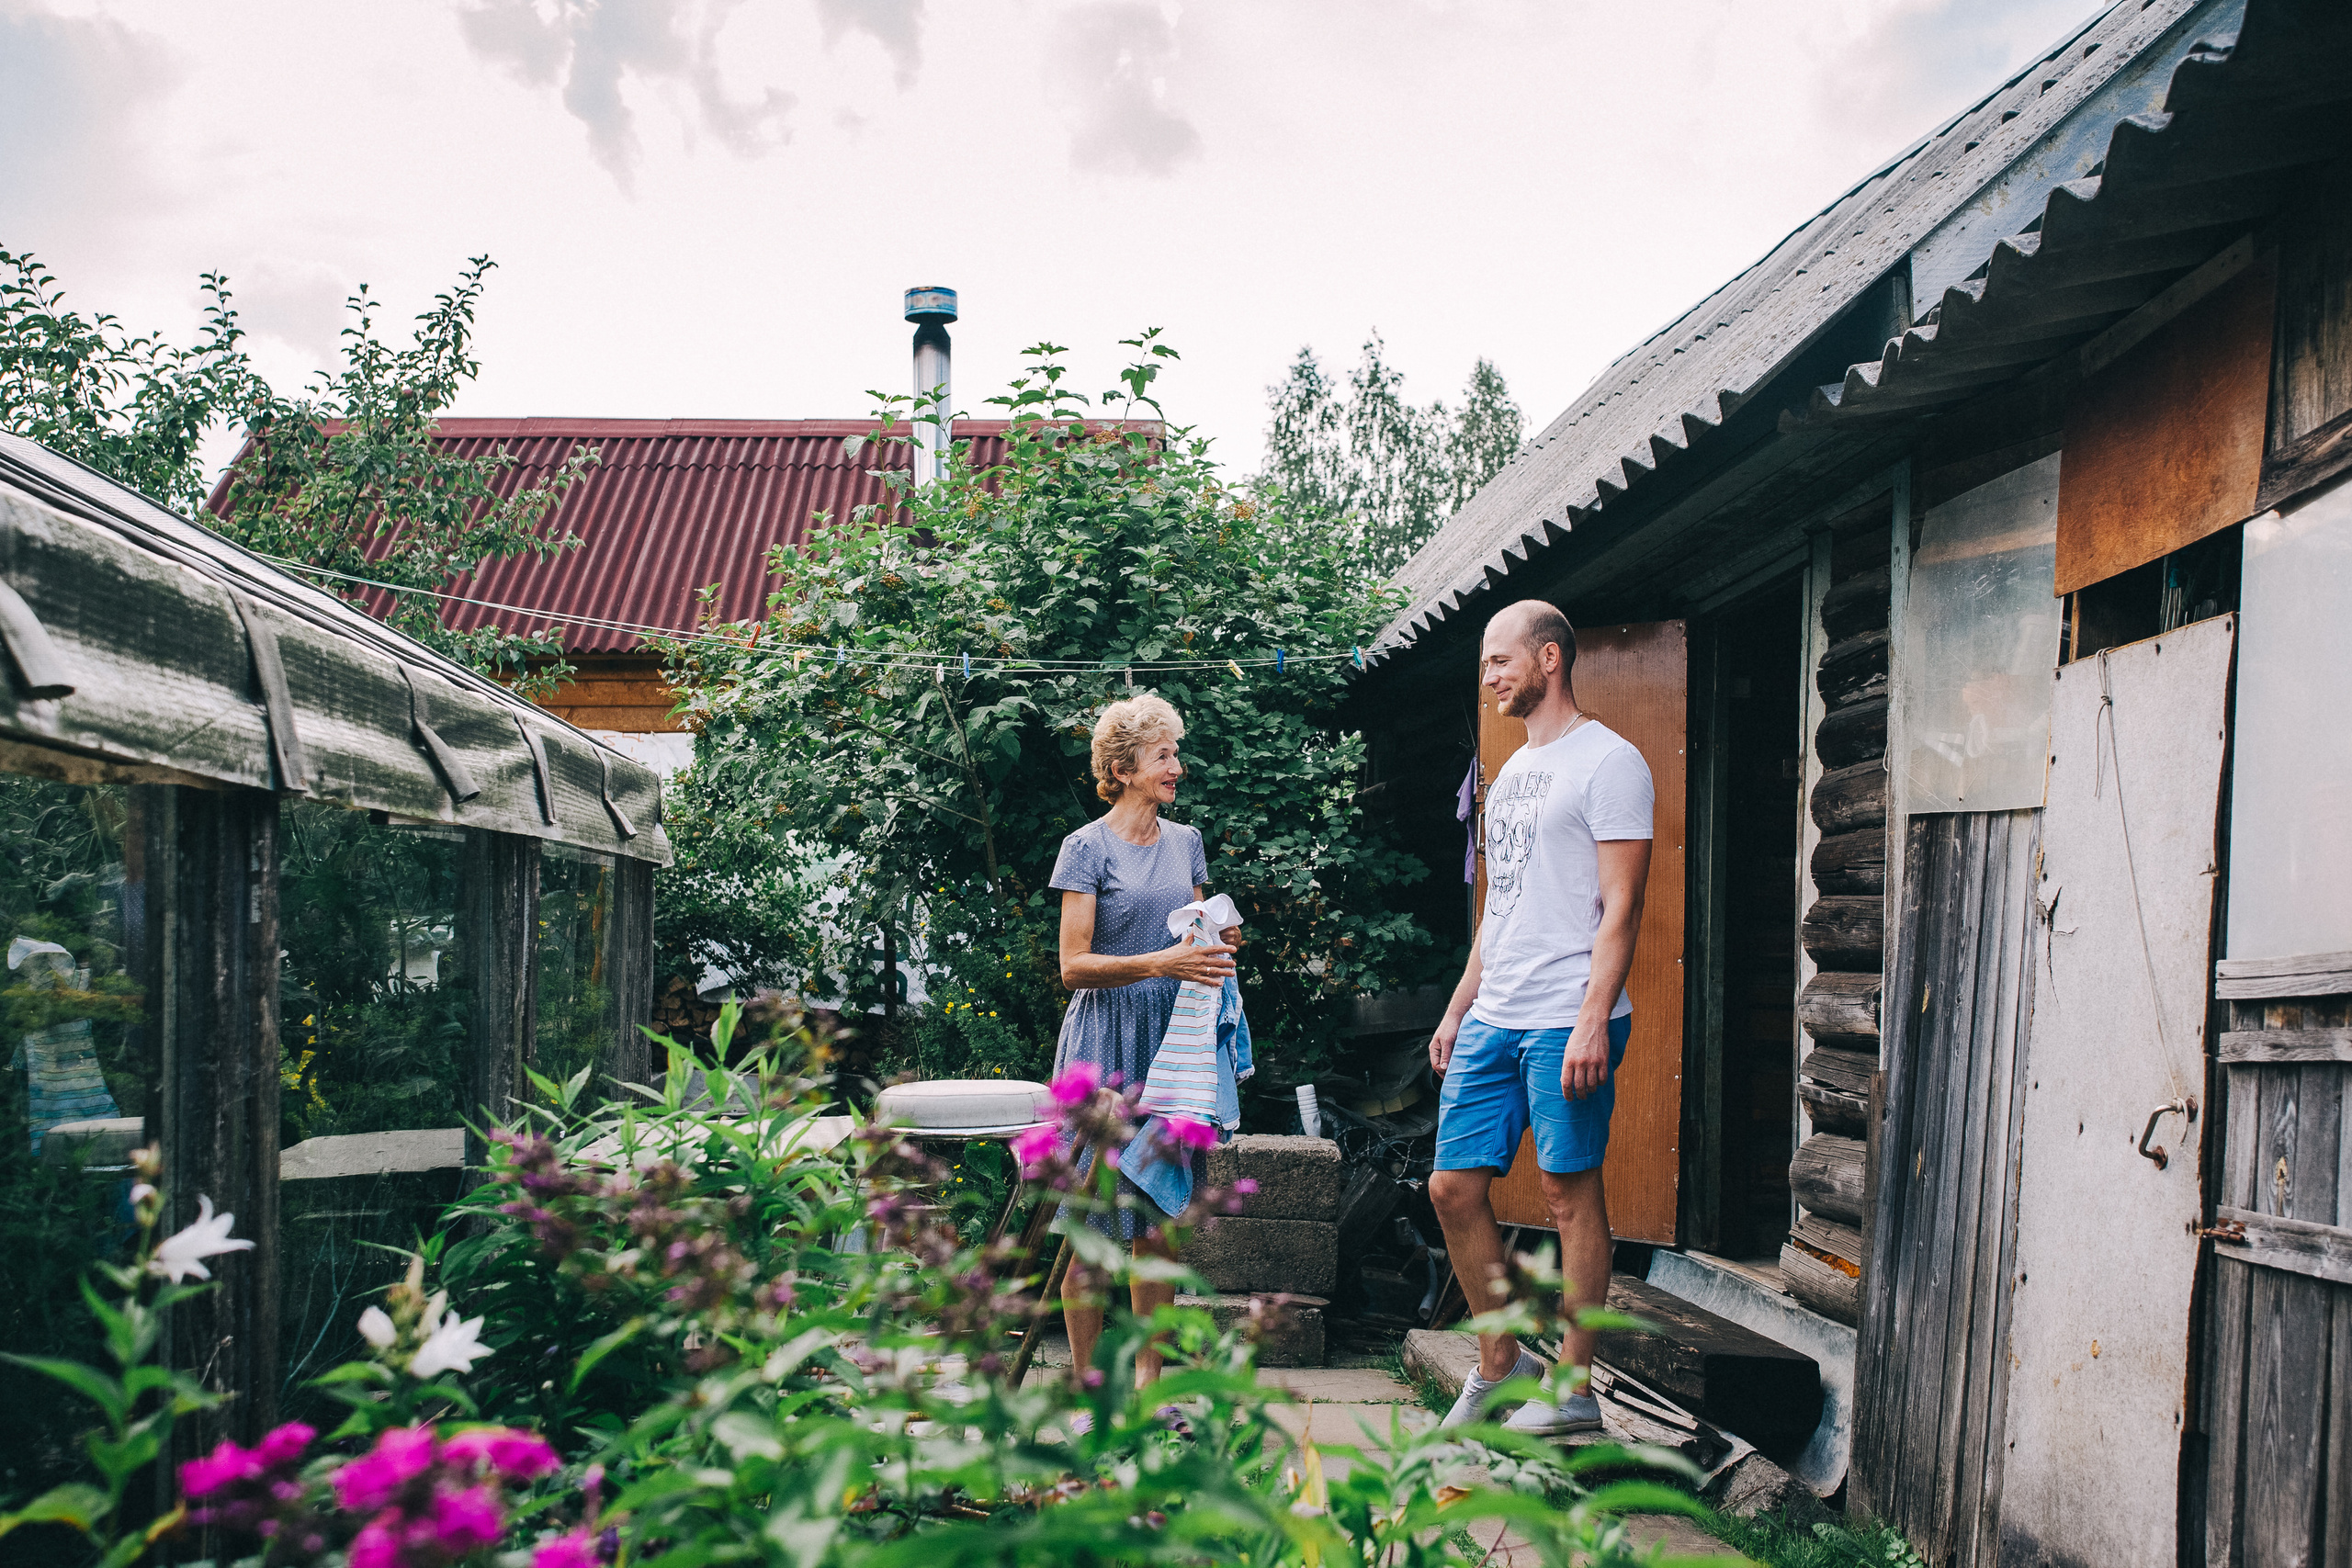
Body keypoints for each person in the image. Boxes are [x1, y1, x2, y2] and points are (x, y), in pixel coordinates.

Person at [1428, 599, 1654, 1435]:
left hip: (1568, 1011)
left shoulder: (1612, 762)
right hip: (1499, 1009)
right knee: (1452, 1187)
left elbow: (1623, 905)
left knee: (1567, 1194)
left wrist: (1595, 1016)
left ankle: (1573, 1389)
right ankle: (1500, 1363)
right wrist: (1459, 1007)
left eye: (1499, 660)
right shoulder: (1513, 770)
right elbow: (1502, 905)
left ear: (1549, 658)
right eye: (1486, 664)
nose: (1488, 676)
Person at [1048, 692, 1241, 1387]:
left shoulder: (1186, 842)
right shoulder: (1086, 847)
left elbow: (1195, 931)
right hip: (1104, 1047)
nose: (1177, 767)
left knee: (1157, 1221)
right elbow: (1073, 966)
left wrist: (1218, 940)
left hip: (1173, 1048)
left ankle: (1150, 1390)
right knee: (1093, 1228)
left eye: (1175, 753)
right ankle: (1082, 1380)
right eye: (1164, 755)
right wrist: (1163, 961)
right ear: (1125, 767)